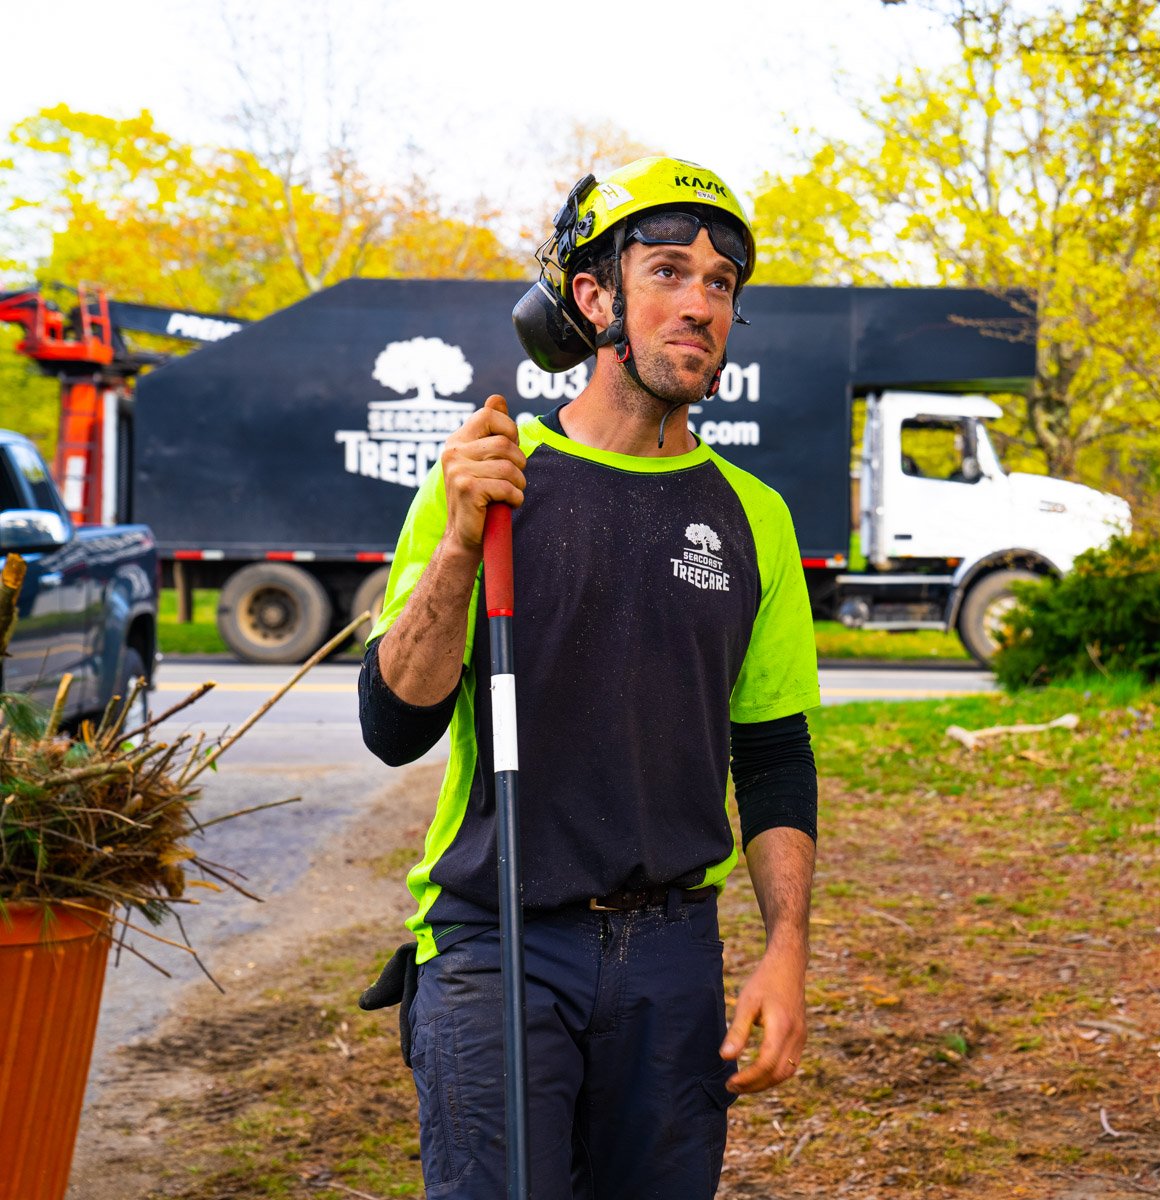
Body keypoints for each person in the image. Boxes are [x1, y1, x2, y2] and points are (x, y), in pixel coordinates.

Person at [357, 156, 820, 1199]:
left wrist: (785, 950)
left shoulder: (756, 517)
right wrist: (462, 545)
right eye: (668, 272)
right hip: (498, 939)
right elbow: (393, 723)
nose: (699, 303)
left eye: (720, 283)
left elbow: (777, 757)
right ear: (594, 297)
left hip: (671, 954)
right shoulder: (495, 476)